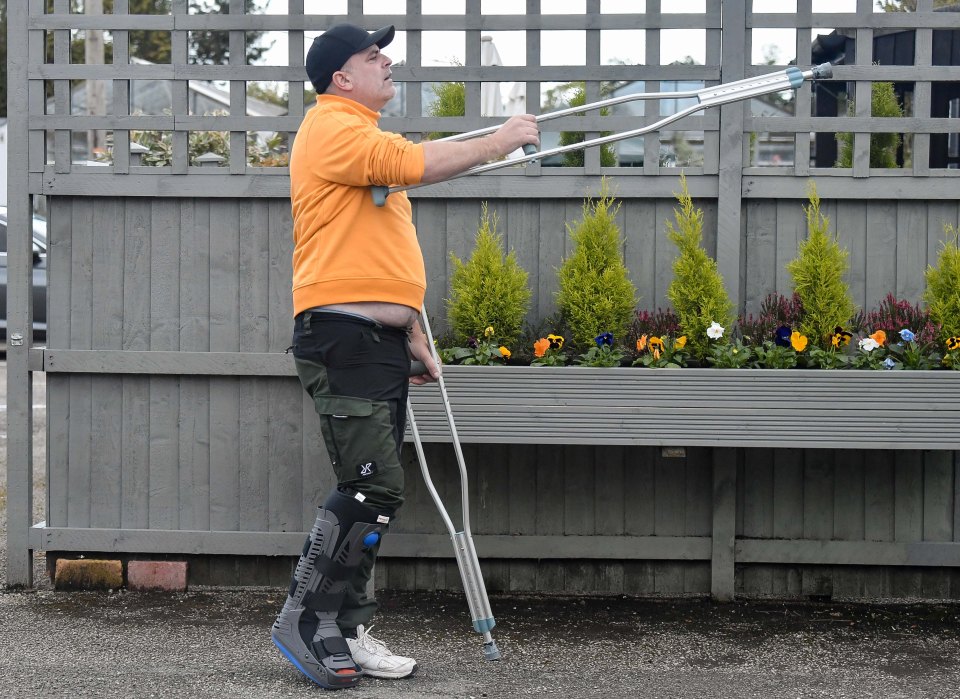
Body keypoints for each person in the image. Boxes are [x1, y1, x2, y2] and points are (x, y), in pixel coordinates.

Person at [270, 23, 539, 690]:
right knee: (372, 485)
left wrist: (411, 331)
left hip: (378, 341)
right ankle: (305, 618)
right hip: (342, 338)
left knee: (376, 491)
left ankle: (346, 628)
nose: (386, 62)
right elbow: (415, 163)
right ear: (342, 77)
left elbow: (381, 253)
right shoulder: (333, 127)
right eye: (372, 55)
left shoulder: (361, 138)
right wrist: (499, 142)